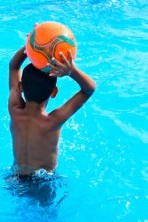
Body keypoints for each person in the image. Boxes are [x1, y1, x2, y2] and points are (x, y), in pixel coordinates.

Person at [7, 45, 96, 177]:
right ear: (54, 92)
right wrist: (71, 71)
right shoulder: (53, 121)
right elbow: (89, 89)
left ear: (20, 86)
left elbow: (14, 66)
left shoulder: (14, 108)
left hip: (15, 177)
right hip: (43, 181)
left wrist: (30, 45)